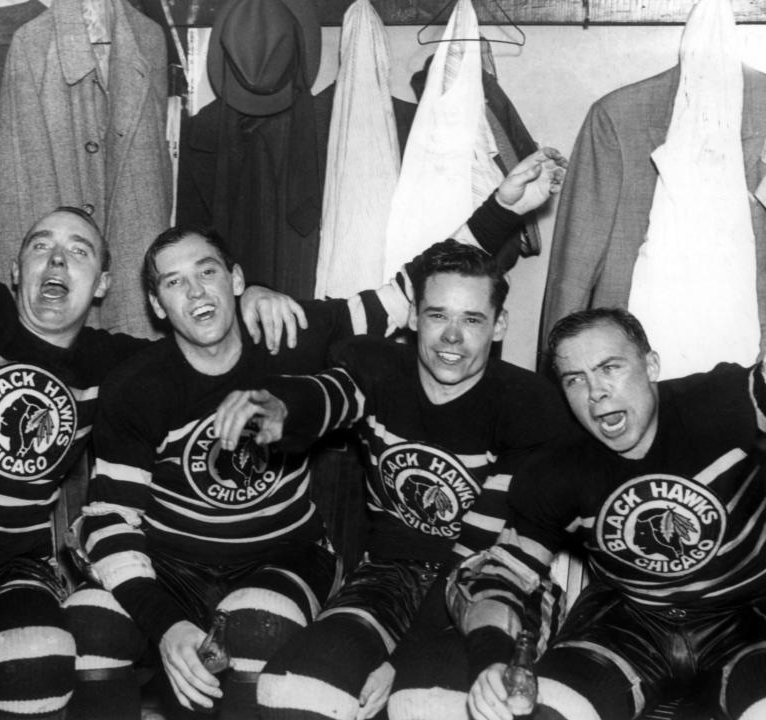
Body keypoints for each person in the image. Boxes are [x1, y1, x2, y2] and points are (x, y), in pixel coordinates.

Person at [0, 11, 305, 719]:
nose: (56, 258)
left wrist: (241, 291)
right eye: (41, 246)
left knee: (41, 673)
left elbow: (209, 350)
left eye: (78, 251)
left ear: (103, 284)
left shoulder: (119, 365)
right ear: (14, 267)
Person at [61, 146, 568, 720]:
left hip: (284, 555)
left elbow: (415, 295)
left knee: (258, 629)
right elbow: (108, 521)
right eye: (175, 283)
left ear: (236, 278)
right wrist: (166, 623)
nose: (197, 292)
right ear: (156, 304)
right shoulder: (138, 384)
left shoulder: (286, 332)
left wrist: (500, 210)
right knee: (85, 626)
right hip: (169, 561)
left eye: (208, 273)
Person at [428, 192, 766, 720]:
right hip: (630, 619)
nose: (596, 392)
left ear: (652, 365)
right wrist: (488, 663)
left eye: (611, 368)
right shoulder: (555, 469)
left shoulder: (714, 404)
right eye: (575, 379)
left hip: (750, 614)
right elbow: (503, 577)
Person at [211, 239, 576, 720]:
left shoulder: (528, 405)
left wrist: (393, 660)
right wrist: (281, 405)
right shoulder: (378, 367)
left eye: (471, 320)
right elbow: (329, 395)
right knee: (294, 689)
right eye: (437, 316)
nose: (451, 337)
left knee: (428, 702)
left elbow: (475, 556)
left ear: (499, 325)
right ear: (413, 317)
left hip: (495, 583)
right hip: (390, 572)